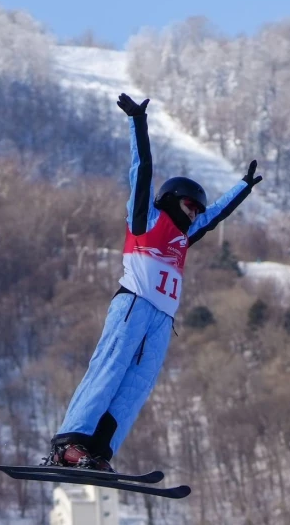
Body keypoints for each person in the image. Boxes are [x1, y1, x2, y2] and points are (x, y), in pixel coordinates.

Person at [45, 93, 263, 472]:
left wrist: (242, 188)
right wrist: (138, 123)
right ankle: (69, 444)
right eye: (189, 205)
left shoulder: (184, 237)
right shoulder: (146, 218)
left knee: (136, 386)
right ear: (172, 199)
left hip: (162, 320)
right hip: (133, 305)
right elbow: (142, 169)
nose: (194, 212)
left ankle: (97, 452)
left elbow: (214, 217)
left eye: (196, 208)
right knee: (110, 368)